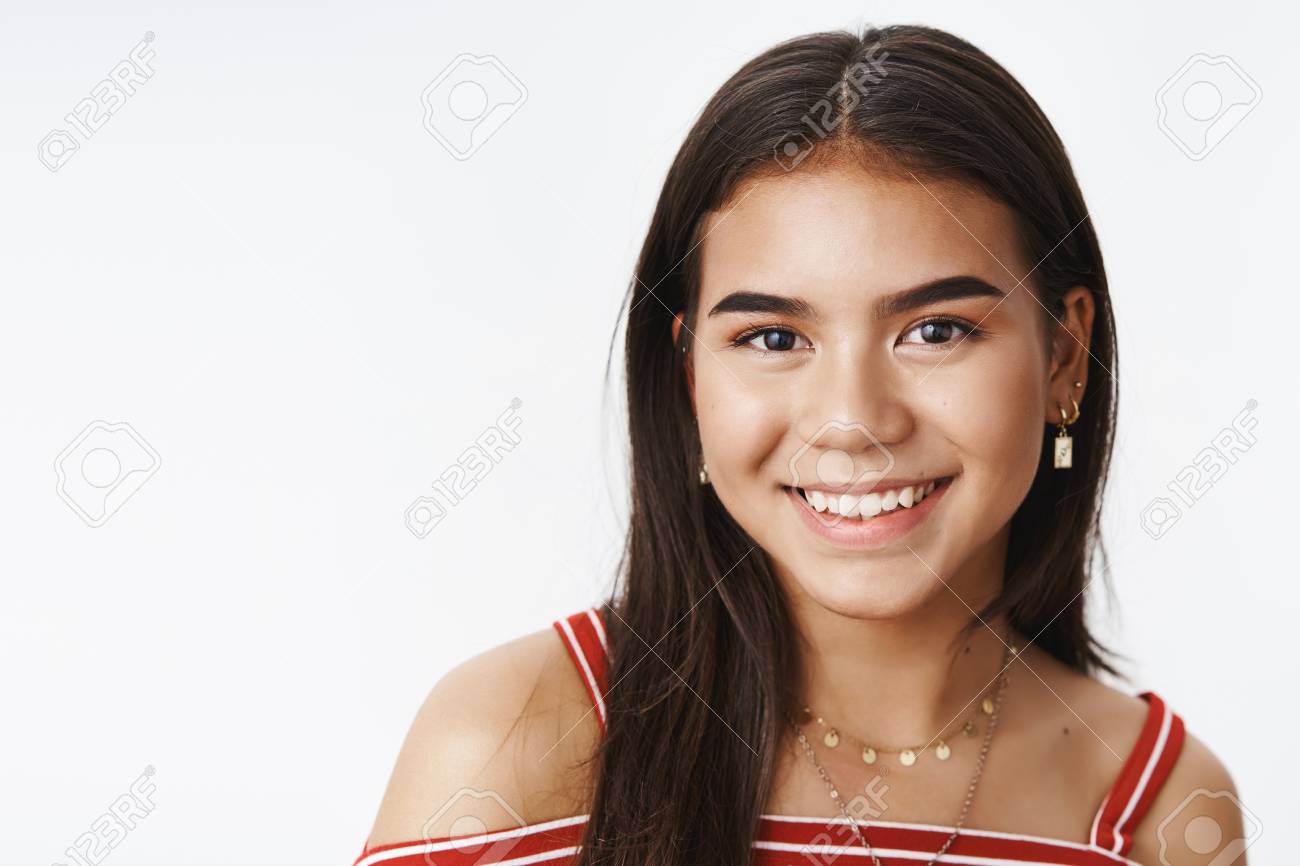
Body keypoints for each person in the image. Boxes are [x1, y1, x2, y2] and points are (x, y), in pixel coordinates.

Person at [357, 23, 1247, 866]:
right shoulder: (511, 745)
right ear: (688, 377)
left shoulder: (1160, 811)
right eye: (775, 340)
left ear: (1064, 354)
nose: (853, 421)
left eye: (935, 331)